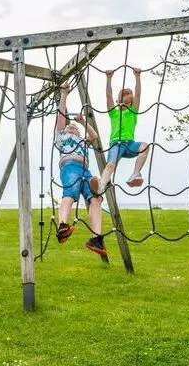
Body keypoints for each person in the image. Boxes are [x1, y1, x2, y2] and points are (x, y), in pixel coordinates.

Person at [54, 80, 107, 258]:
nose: (72, 127)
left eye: (74, 128)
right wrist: (64, 94)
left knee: (96, 199)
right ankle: (62, 225)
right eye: (71, 126)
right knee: (70, 191)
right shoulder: (62, 136)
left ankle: (96, 238)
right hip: (69, 166)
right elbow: (61, 115)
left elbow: (94, 136)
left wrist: (83, 122)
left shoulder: (83, 141)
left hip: (85, 170)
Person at [98, 66, 150, 194]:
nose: (123, 104)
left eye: (127, 102)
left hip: (130, 145)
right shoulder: (113, 113)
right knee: (110, 165)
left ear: (131, 104)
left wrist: (137, 76)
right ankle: (101, 185)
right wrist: (109, 78)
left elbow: (138, 94)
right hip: (116, 144)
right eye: (121, 101)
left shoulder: (133, 112)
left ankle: (135, 174)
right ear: (117, 102)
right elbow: (108, 95)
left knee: (145, 146)